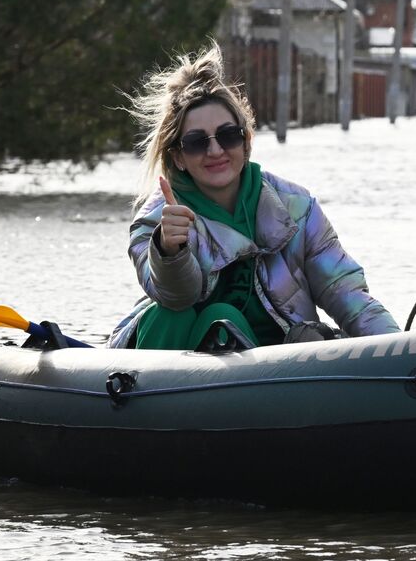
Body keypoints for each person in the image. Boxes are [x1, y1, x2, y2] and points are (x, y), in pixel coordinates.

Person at [108, 44, 400, 349]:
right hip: (180, 354)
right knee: (202, 316)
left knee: (227, 319)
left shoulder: (297, 208)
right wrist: (170, 250)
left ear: (247, 141)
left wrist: (396, 350)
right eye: (196, 143)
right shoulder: (156, 221)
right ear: (178, 157)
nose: (216, 151)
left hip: (277, 360)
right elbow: (175, 296)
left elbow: (344, 291)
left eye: (228, 136)